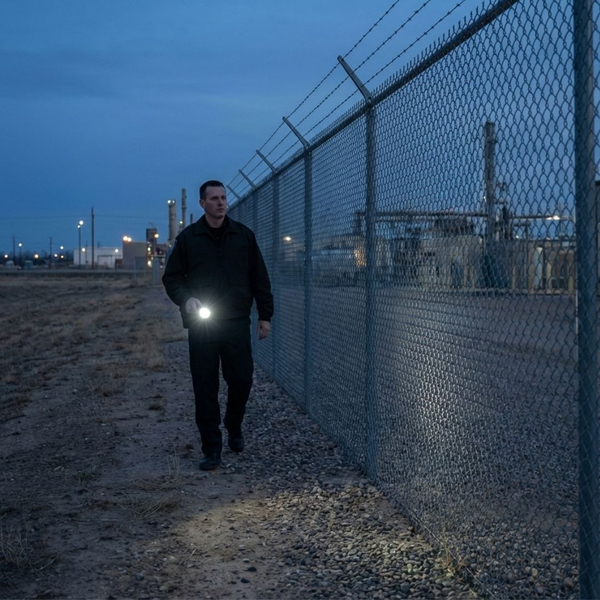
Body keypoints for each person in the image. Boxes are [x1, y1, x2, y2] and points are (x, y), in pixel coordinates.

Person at [163, 180, 273, 470]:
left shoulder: (243, 237)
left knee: (242, 380)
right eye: (214, 199)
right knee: (205, 387)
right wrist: (186, 300)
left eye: (223, 198)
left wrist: (265, 315)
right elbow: (172, 278)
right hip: (203, 326)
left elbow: (259, 278)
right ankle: (212, 448)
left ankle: (233, 424)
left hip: (236, 322)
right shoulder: (189, 239)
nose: (221, 203)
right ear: (202, 203)